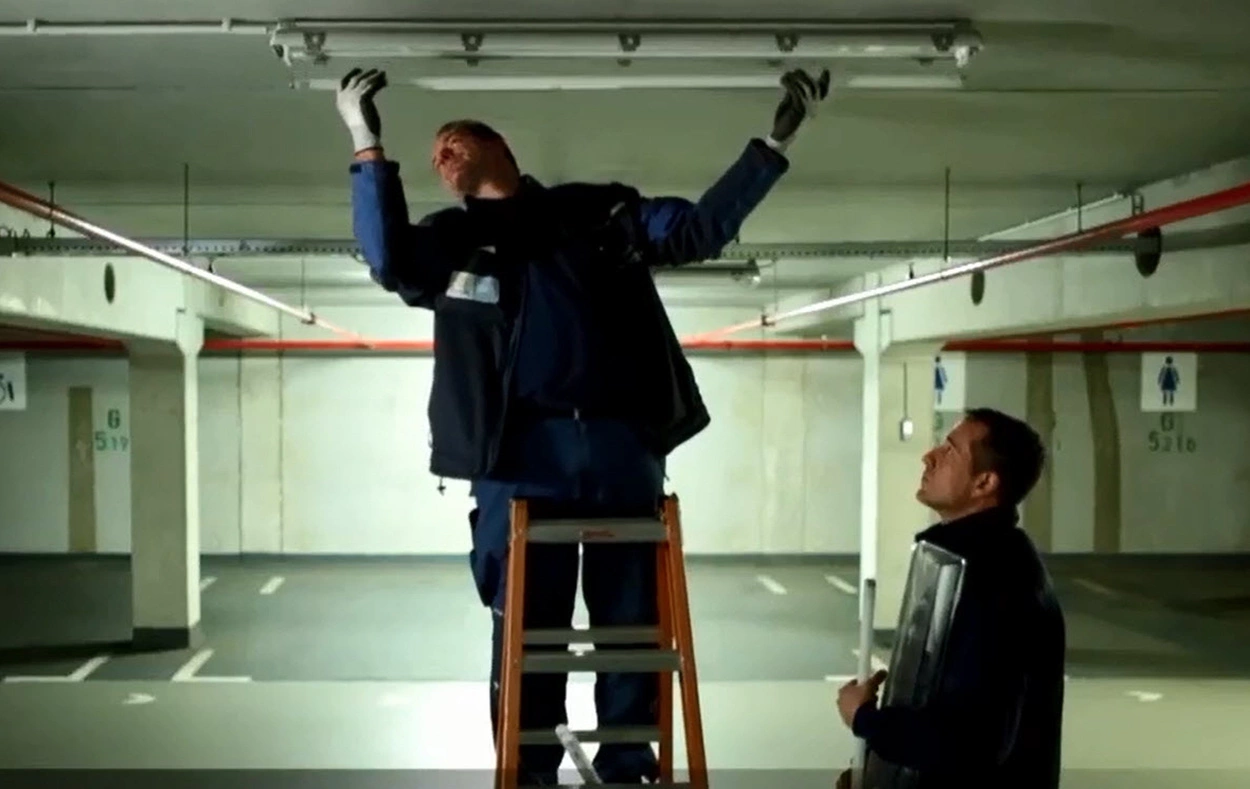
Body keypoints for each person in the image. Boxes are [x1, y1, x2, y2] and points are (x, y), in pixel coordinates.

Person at [336, 66, 831, 785]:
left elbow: (697, 229)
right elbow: (387, 259)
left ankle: (627, 763)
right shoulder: (450, 241)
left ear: (498, 146)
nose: (441, 155)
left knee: (630, 618)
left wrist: (774, 144)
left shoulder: (597, 213)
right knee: (526, 626)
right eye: (435, 153)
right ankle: (530, 769)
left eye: (453, 140)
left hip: (619, 446)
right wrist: (365, 139)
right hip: (516, 455)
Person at [837, 408, 1066, 789]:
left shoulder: (995, 580)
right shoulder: (964, 559)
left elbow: (970, 742)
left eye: (949, 451)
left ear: (984, 483)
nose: (929, 457)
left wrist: (866, 721)